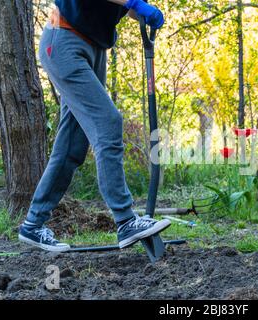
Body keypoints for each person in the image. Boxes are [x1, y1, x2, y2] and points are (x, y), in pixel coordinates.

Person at [18, 0, 170, 252]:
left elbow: (129, 8)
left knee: (72, 145)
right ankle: (125, 220)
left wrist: (142, 10)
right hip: (64, 39)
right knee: (107, 122)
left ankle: (33, 224)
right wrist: (135, 3)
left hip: (95, 48)